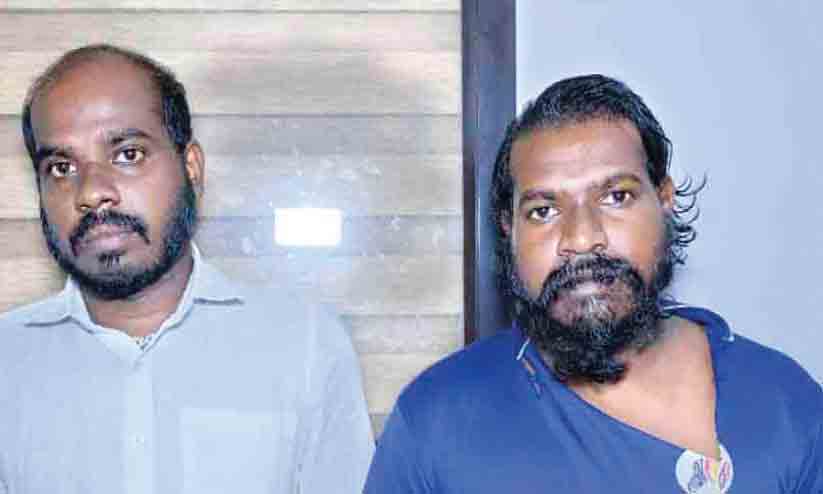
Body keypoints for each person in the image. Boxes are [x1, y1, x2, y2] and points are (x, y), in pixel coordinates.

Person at [365, 74, 822, 493]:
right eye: (543, 211)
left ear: (664, 200)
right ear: (509, 230)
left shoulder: (785, 405)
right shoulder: (436, 425)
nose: (582, 238)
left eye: (616, 197)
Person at [0, 44, 374, 493]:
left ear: (191, 167)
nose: (92, 192)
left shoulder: (304, 345)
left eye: (128, 154)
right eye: (61, 167)